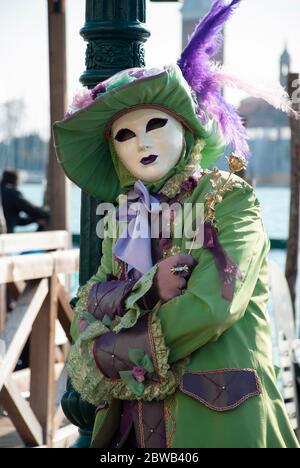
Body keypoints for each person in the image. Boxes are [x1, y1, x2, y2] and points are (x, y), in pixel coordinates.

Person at [54, 0, 299, 448]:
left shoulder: (228, 196)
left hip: (217, 419)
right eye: (124, 134)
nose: (142, 141)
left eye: (154, 124)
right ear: (114, 150)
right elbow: (87, 306)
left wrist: (106, 354)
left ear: (185, 129)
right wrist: (145, 288)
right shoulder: (126, 216)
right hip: (131, 431)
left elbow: (214, 303)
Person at [0, 169, 50, 233]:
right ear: (15, 180)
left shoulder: (3, 191)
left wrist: (34, 220)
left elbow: (13, 219)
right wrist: (46, 213)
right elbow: (31, 209)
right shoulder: (12, 193)